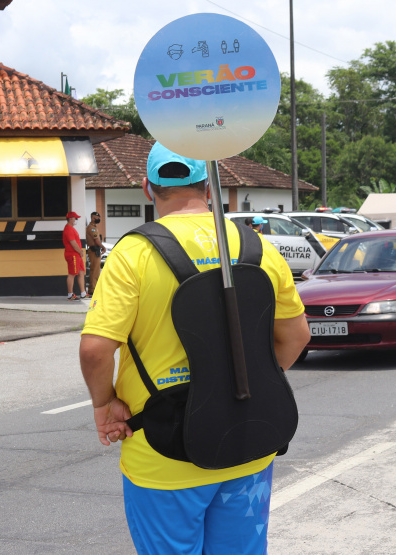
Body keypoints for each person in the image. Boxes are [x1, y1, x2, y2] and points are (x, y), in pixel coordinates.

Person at [78, 143, 310, 554]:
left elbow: (96, 350)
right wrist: (248, 384)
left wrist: (104, 404)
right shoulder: (256, 247)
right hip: (247, 442)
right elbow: (296, 336)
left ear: (148, 188)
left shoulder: (133, 253)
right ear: (208, 186)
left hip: (165, 452)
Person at [63, 211, 87, 301]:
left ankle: (83, 293)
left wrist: (79, 252)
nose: (76, 220)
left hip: (77, 255)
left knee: (81, 273)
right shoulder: (68, 229)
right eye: (75, 218)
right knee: (72, 274)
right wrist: (80, 251)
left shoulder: (71, 228)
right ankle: (70, 294)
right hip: (73, 254)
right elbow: (73, 243)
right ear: (70, 219)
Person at [85, 211, 106, 298]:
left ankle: (94, 288)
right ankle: (92, 290)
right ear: (93, 218)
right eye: (97, 218)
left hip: (96, 251)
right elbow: (96, 241)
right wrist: (103, 247)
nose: (98, 219)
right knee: (94, 271)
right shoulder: (91, 228)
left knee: (96, 271)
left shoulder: (94, 227)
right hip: (94, 251)